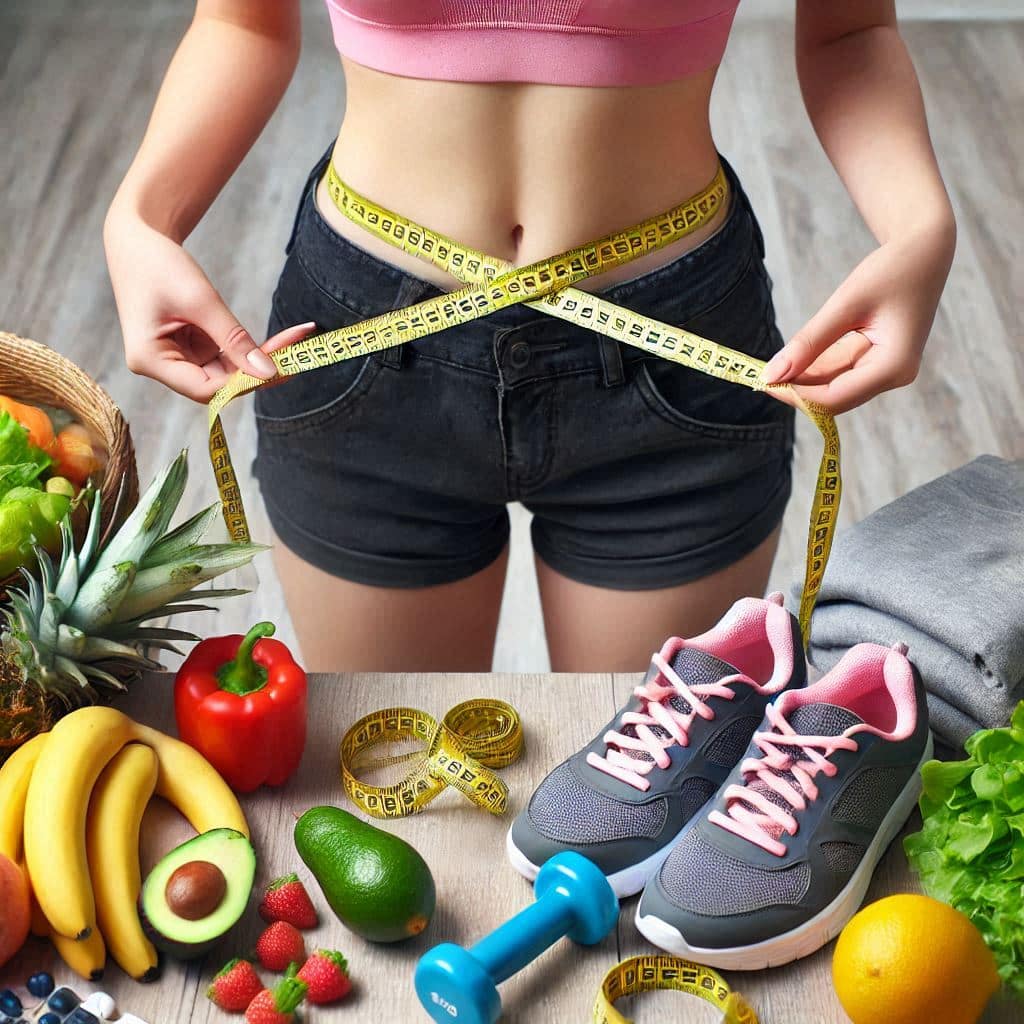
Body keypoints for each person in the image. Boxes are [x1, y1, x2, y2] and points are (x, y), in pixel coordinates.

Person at [103, 1, 956, 674]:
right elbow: (239, 22)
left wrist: (918, 224)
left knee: (641, 795)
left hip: (673, 351)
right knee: (403, 800)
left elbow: (851, 29)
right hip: (363, 344)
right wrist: (139, 218)